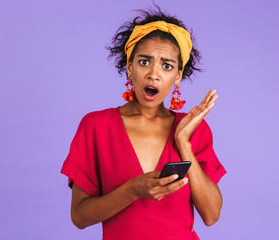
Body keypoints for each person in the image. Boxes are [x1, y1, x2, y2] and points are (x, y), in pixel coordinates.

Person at [60, 6, 226, 240]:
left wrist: (183, 142)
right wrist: (132, 190)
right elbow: (79, 216)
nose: (154, 74)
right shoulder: (95, 127)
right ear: (130, 67)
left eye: (167, 66)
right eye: (144, 62)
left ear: (177, 76)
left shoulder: (192, 129)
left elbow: (211, 215)